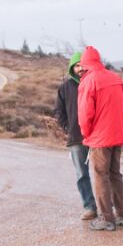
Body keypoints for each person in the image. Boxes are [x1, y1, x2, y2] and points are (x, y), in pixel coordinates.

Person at [77, 45, 123, 231]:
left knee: (101, 176)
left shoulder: (88, 81)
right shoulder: (114, 77)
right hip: (117, 134)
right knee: (115, 174)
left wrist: (86, 134)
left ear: (85, 63)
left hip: (100, 138)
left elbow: (85, 115)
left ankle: (106, 218)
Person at [53, 51, 96, 220]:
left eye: (82, 65)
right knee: (81, 174)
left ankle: (109, 206)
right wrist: (67, 128)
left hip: (97, 137)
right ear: (72, 68)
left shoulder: (94, 84)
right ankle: (90, 207)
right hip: (76, 138)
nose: (80, 68)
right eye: (77, 65)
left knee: (102, 173)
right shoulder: (65, 88)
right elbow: (58, 111)